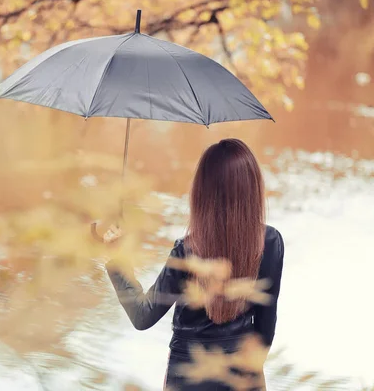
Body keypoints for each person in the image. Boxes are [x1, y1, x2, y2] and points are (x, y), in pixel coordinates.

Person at [105, 138, 284, 390]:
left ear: (202, 191)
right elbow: (265, 330)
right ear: (253, 188)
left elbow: (142, 315)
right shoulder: (270, 242)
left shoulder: (188, 250)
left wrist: (118, 260)